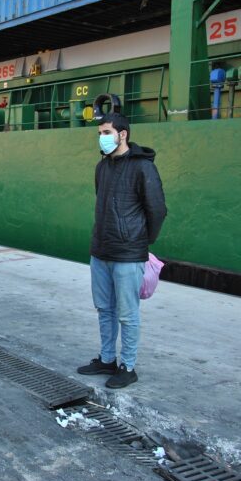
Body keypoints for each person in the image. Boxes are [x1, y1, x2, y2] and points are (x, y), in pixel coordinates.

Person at [76, 113, 167, 389]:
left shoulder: (143, 168)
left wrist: (140, 240)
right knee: (104, 309)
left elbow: (158, 210)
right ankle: (107, 359)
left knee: (127, 314)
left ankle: (128, 366)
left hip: (128, 254)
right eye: (99, 133)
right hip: (101, 250)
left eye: (106, 132)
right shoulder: (101, 167)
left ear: (122, 134)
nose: (101, 138)